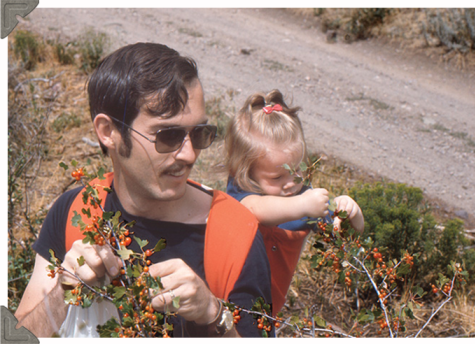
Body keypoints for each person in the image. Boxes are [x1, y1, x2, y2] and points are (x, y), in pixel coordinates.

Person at [14, 43, 273, 338]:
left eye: (200, 133)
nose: (189, 155)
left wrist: (214, 315)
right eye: (169, 135)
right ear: (108, 132)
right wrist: (63, 291)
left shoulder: (235, 233)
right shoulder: (77, 211)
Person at [224, 89, 364, 314]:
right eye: (277, 177)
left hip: (269, 306)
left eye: (296, 169)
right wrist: (302, 206)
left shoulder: (305, 200)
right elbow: (254, 209)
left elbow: (346, 232)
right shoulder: (242, 192)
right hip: (225, 296)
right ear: (245, 173)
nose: (291, 183)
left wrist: (350, 212)